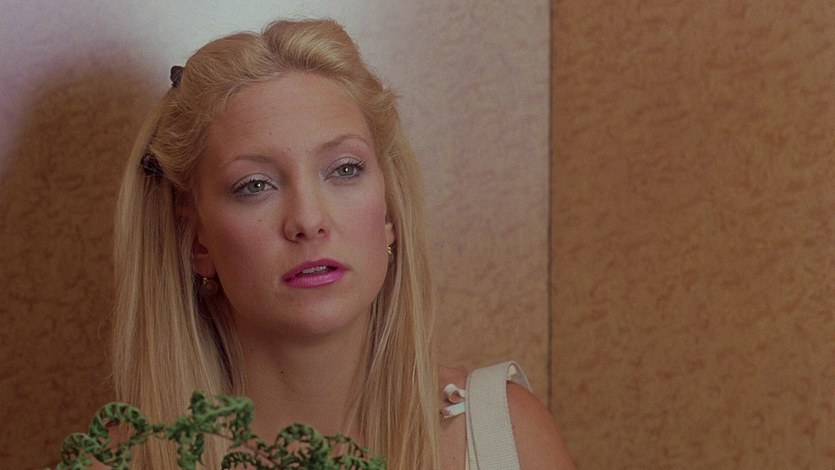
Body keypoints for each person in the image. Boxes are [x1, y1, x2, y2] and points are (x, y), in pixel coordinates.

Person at [108, 18, 574, 469]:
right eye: (255, 185)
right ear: (197, 241)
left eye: (345, 170)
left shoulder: (506, 440)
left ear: (388, 213)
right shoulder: (118, 462)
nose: (309, 221)